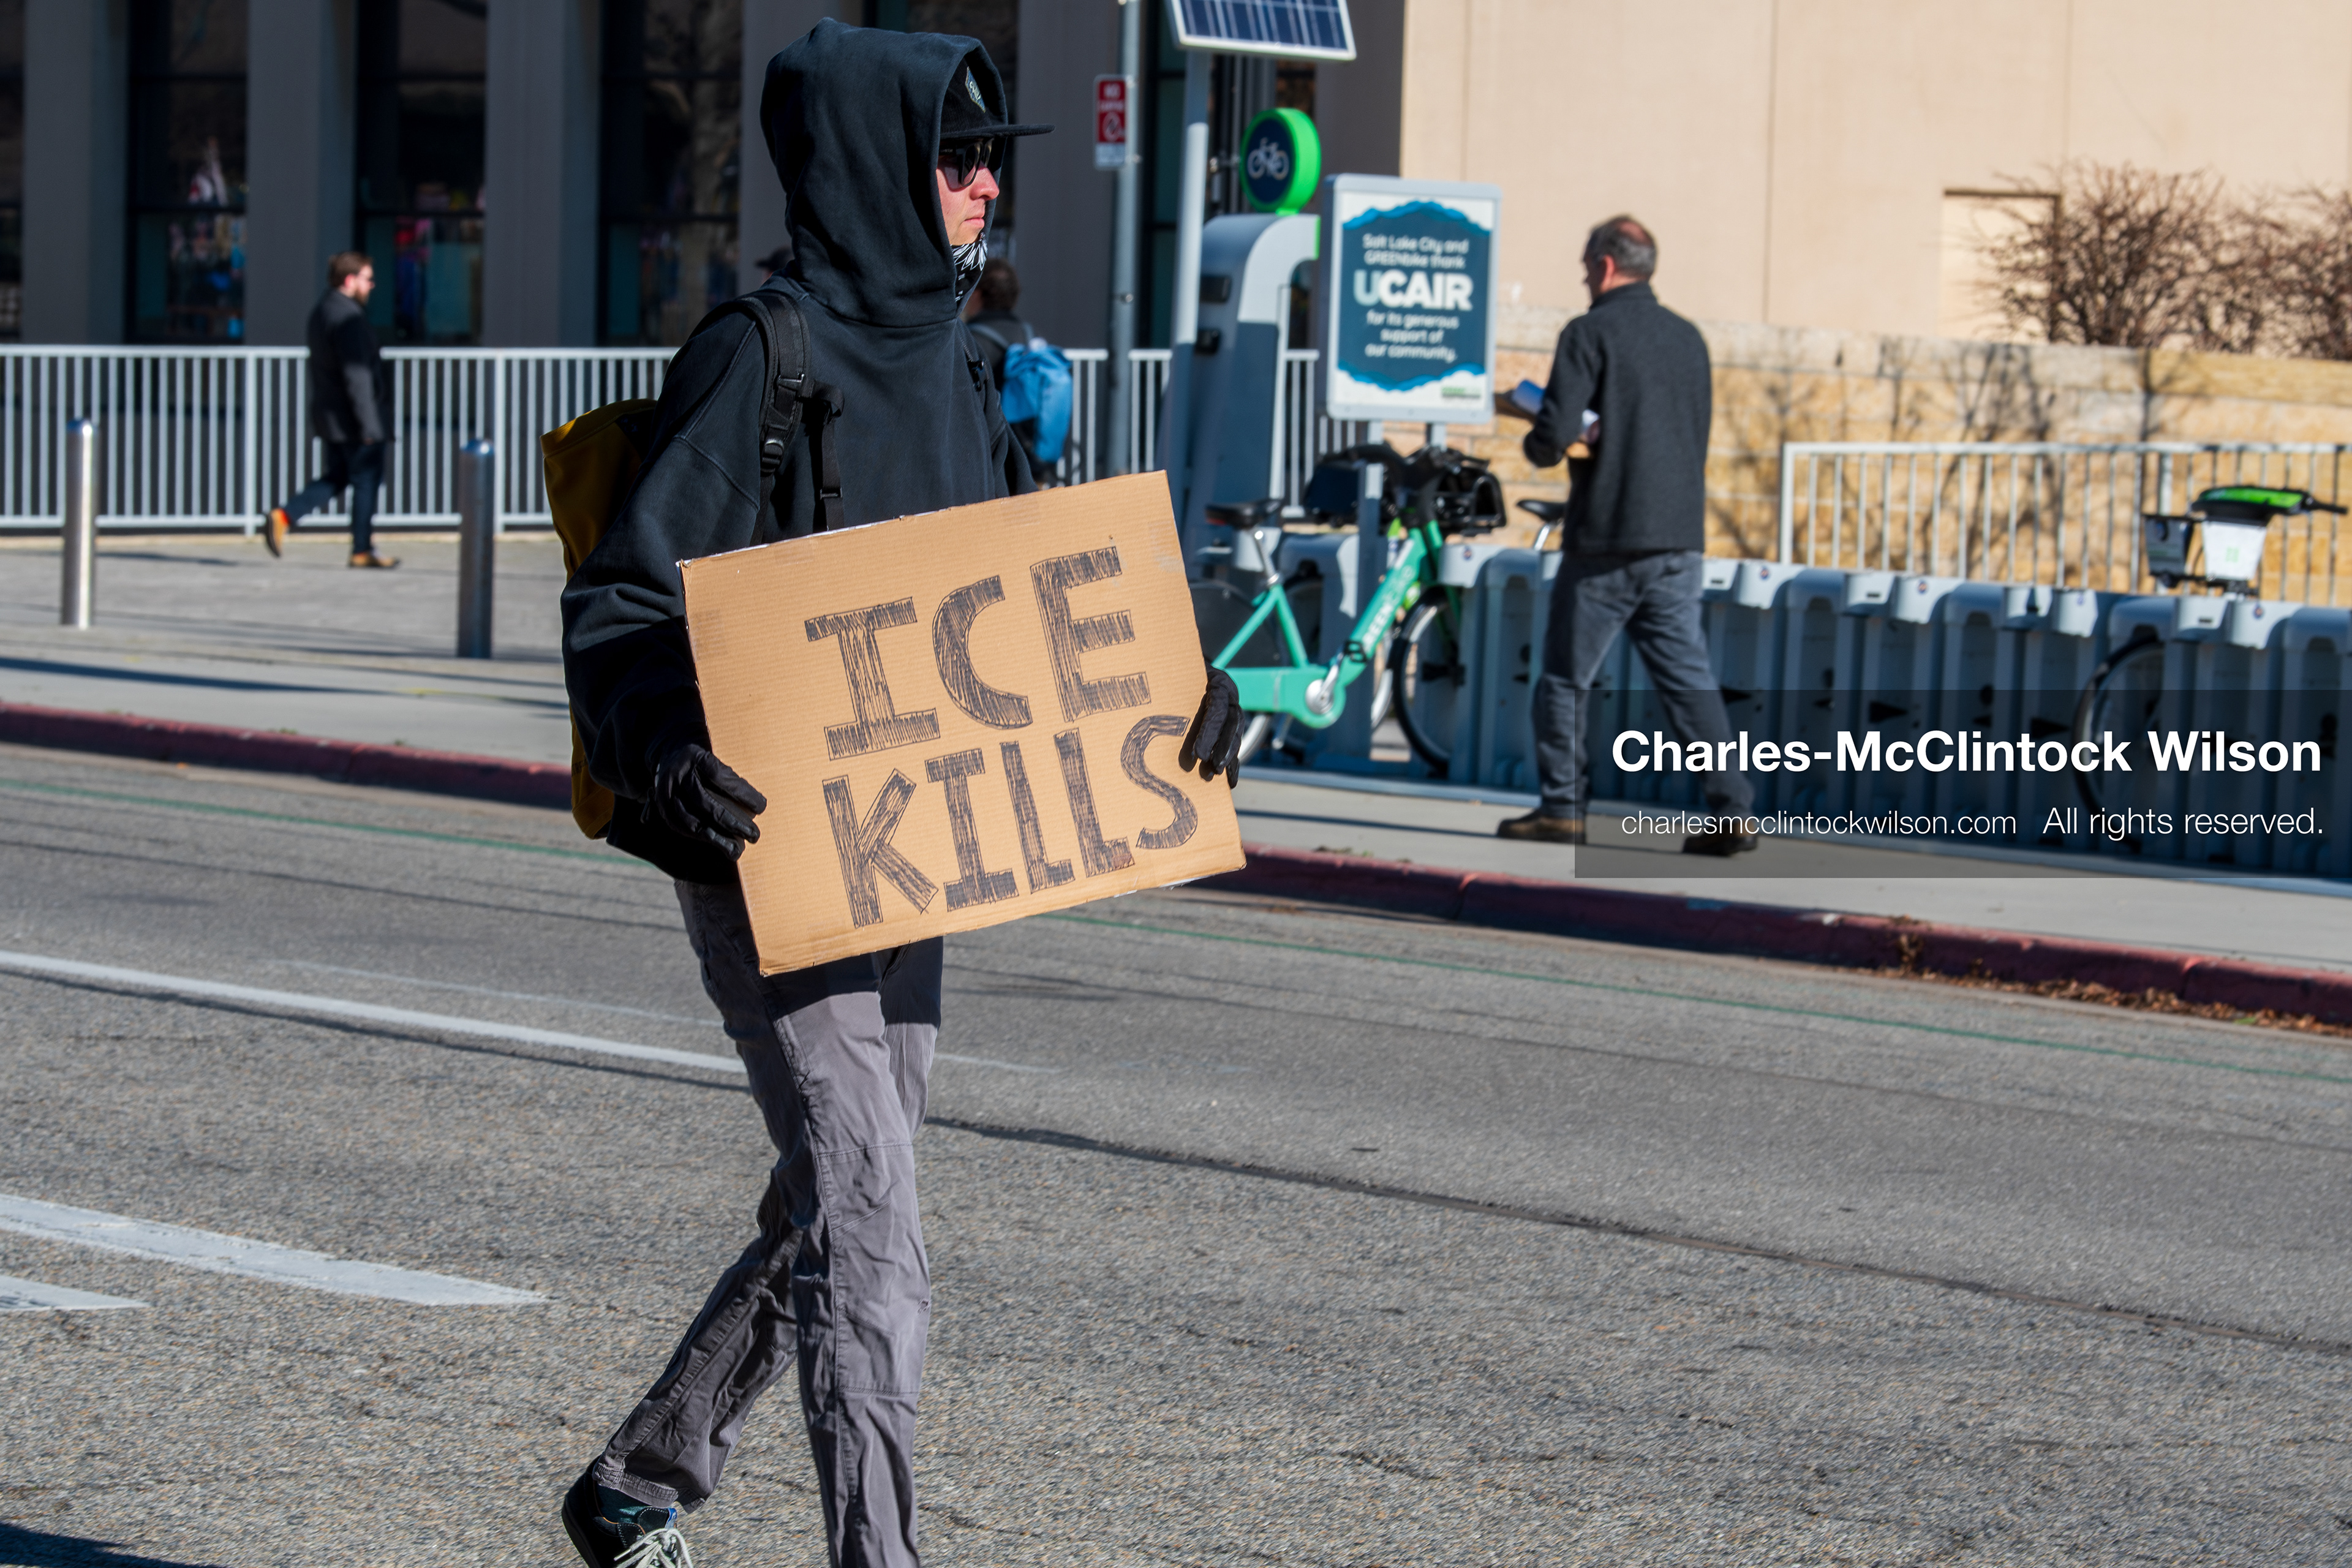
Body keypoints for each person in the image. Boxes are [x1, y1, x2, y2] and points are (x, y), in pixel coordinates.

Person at [557, 22, 1243, 1568]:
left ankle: (644, 1475)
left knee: (841, 1180)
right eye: (955, 154)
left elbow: (1032, 582)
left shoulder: (966, 359)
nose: (982, 183)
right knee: (873, 1213)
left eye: (990, 155)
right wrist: (666, 743)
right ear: (874, 164)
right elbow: (621, 607)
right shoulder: (758, 354)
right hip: (767, 848)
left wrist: (1173, 674)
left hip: (910, 850)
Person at [1496, 216, 1754, 856]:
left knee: (1565, 679)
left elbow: (1554, 435)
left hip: (1607, 538)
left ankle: (1563, 809)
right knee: (1687, 681)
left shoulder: (1590, 333)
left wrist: (1533, 425)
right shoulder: (1689, 339)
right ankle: (1733, 811)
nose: (1584, 276)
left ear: (1608, 265)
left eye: (1587, 265)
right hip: (1677, 540)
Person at [260, 252, 398, 569]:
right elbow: (358, 375)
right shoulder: (348, 318)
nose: (371, 285)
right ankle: (362, 549)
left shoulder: (322, 311)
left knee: (339, 476)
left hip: (332, 416)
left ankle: (285, 515)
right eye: (367, 278)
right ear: (350, 280)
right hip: (355, 418)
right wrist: (369, 425)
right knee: (366, 480)